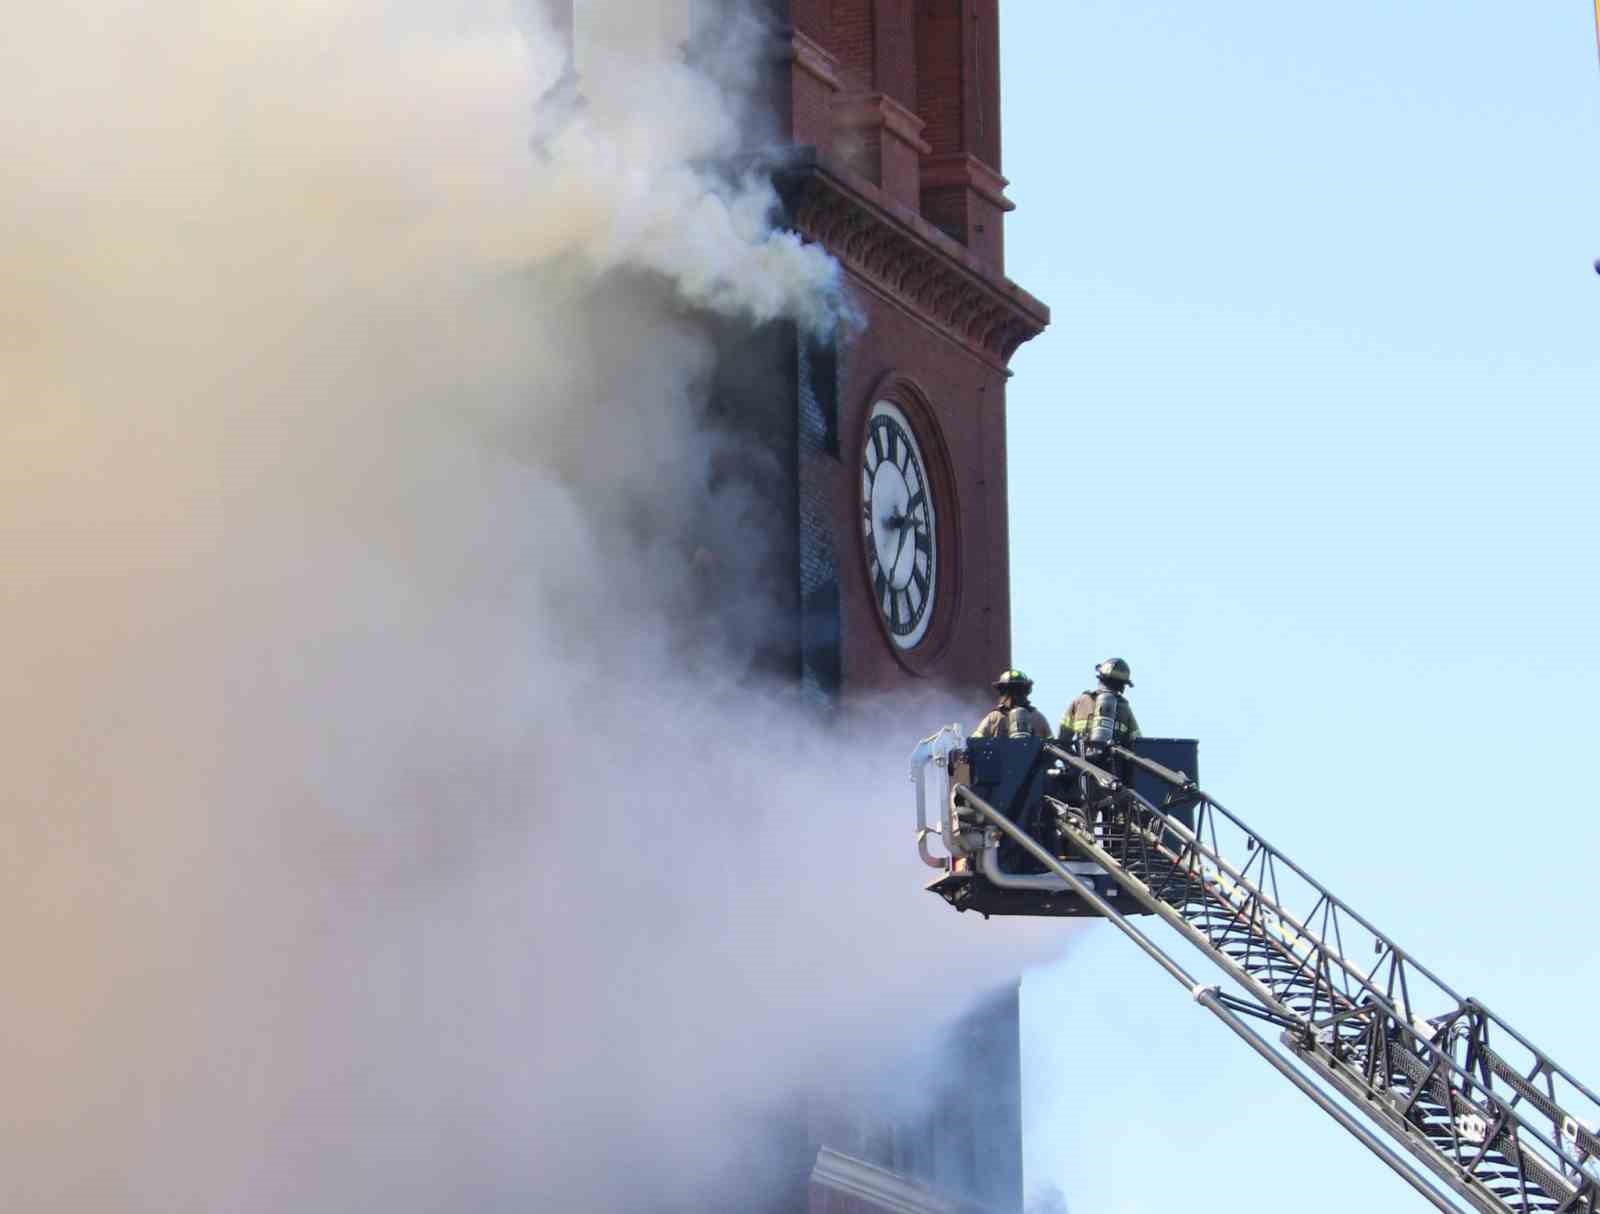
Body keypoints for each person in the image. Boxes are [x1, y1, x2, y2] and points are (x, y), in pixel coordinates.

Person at [1058, 658, 1141, 752]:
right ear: (1122, 686)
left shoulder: (1080, 701)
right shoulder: (1124, 709)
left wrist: (1074, 759)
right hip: (1112, 760)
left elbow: (1062, 740)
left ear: (1100, 678)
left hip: (1082, 758)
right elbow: (1139, 746)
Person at [971, 669, 1052, 740]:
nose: (1014, 696)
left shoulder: (994, 717)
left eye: (1018, 690)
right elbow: (975, 741)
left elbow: (975, 742)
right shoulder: (1038, 717)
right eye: (1011, 691)